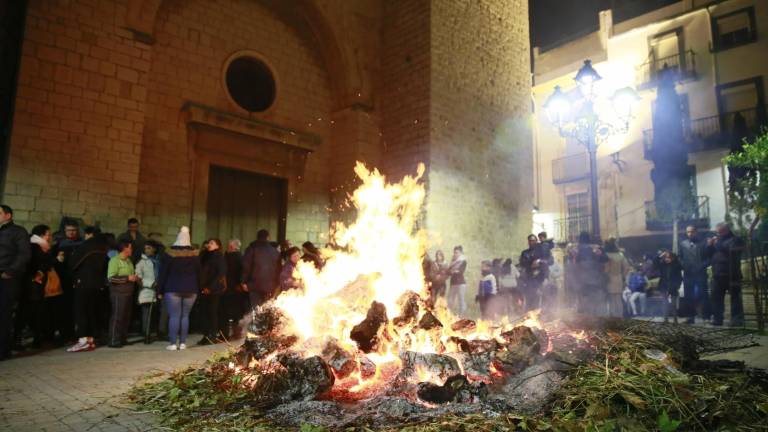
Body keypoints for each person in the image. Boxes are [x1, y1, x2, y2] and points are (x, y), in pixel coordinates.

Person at [158, 227, 201, 350]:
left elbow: (163, 273)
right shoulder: (195, 255)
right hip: (191, 289)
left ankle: (172, 344)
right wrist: (200, 288)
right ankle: (183, 343)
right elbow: (199, 273)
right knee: (185, 316)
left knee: (174, 316)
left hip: (172, 288)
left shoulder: (169, 253)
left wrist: (159, 290)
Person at [67, 226, 108, 352]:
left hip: (83, 283)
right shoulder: (103, 247)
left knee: (81, 311)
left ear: (89, 234)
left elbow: (73, 264)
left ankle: (83, 339)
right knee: (91, 311)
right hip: (97, 284)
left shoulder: (85, 246)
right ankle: (90, 340)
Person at [14, 225, 53, 350]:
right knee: (27, 313)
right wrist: (40, 272)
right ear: (41, 235)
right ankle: (18, 340)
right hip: (32, 285)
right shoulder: (35, 246)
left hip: (33, 285)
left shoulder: (41, 246)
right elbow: (37, 263)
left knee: (33, 313)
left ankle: (35, 339)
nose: (50, 237)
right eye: (48, 234)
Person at [0, 205, 30, 360]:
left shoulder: (18, 232)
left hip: (7, 279)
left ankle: (3, 351)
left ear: (8, 215)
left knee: (4, 315)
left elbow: (24, 254)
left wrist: (9, 271)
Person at [706, 223, 745, 327]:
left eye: (720, 232)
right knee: (716, 298)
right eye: (717, 232)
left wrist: (716, 244)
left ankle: (737, 320)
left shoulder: (735, 239)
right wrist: (710, 245)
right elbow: (709, 254)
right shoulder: (717, 241)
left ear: (726, 230)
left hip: (732, 274)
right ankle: (718, 319)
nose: (718, 234)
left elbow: (730, 251)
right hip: (717, 274)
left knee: (735, 298)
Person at [51, 218, 82, 344]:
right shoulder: (59, 245)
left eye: (74, 230)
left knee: (75, 309)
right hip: (63, 281)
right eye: (69, 230)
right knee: (63, 310)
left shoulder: (81, 244)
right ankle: (64, 334)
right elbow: (53, 262)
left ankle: (73, 333)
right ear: (65, 231)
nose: (72, 233)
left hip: (77, 281)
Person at [106, 241, 137, 347]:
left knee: (126, 317)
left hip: (128, 293)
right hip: (118, 293)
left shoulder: (129, 261)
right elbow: (111, 278)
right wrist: (127, 278)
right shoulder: (114, 261)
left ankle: (122, 338)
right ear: (125, 249)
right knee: (118, 317)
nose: (132, 250)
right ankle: (113, 340)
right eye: (130, 248)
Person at [241, 229, 280, 310]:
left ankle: (256, 322)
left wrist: (243, 281)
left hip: (254, 284)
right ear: (268, 237)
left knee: (256, 309)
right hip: (270, 285)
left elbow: (246, 266)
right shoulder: (274, 251)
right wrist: (276, 284)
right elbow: (278, 269)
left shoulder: (251, 249)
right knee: (267, 309)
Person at [679, 225, 710, 323]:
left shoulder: (703, 243)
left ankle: (706, 316)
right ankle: (690, 317)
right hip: (688, 274)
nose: (690, 234)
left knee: (703, 294)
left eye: (692, 231)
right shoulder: (683, 244)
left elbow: (709, 258)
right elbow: (679, 257)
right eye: (688, 232)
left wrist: (702, 266)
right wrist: (684, 265)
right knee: (688, 296)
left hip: (700, 273)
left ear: (696, 232)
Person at [198, 238, 227, 345]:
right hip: (204, 288)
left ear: (217, 246)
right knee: (205, 313)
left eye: (212, 243)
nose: (209, 245)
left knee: (212, 312)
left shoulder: (219, 257)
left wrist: (210, 287)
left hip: (214, 290)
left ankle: (213, 335)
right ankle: (205, 335)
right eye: (209, 243)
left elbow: (220, 274)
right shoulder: (205, 256)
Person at [573, 232, 608, 315]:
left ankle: (587, 317)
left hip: (583, 280)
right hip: (594, 279)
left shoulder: (578, 249)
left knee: (584, 300)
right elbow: (605, 259)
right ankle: (593, 317)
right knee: (594, 300)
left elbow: (576, 263)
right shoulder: (595, 248)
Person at [135, 241, 161, 344]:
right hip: (146, 290)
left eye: (149, 248)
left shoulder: (157, 261)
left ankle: (152, 333)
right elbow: (138, 278)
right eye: (145, 248)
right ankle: (146, 335)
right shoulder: (141, 262)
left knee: (153, 314)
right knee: (146, 314)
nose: (147, 250)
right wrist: (150, 283)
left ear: (154, 249)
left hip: (157, 290)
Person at [519, 234, 549, 312]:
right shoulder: (525, 253)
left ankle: (538, 316)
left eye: (533, 240)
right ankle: (529, 317)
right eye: (530, 240)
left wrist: (539, 261)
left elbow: (548, 262)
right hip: (529, 279)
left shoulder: (542, 252)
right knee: (529, 299)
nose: (531, 242)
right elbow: (522, 263)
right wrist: (530, 264)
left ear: (536, 241)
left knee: (539, 299)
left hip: (539, 279)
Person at [223, 239, 245, 338]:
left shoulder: (238, 257)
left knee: (235, 312)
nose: (229, 247)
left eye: (231, 246)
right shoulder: (227, 256)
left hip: (234, 287)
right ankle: (229, 333)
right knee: (229, 311)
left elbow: (242, 271)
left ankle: (236, 333)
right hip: (229, 287)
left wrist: (240, 283)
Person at [656, 250, 683, 324]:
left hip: (673, 287)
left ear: (672, 258)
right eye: (666, 257)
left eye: (669, 257)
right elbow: (655, 263)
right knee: (664, 304)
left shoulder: (676, 265)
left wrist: (677, 286)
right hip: (664, 286)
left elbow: (679, 278)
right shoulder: (662, 265)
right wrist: (661, 255)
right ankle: (665, 319)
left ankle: (675, 320)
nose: (667, 259)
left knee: (673, 304)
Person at [447, 246, 468, 316]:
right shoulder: (452, 261)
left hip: (460, 283)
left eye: (457, 252)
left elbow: (460, 271)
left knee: (461, 299)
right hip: (453, 283)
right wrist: (452, 271)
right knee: (450, 300)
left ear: (460, 253)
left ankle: (461, 315)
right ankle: (448, 314)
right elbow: (448, 271)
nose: (455, 254)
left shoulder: (463, 261)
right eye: (454, 252)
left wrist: (453, 271)